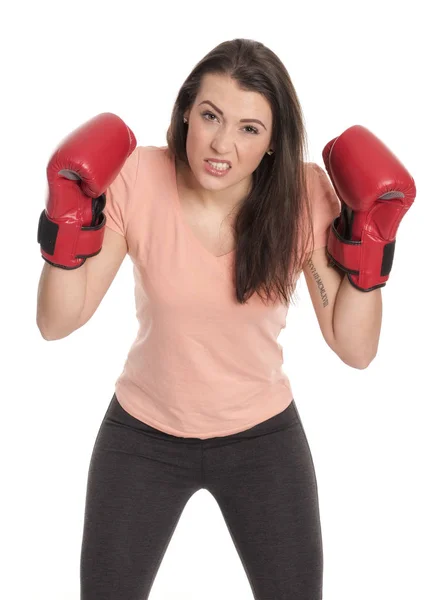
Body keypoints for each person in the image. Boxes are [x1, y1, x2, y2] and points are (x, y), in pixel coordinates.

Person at [36, 38, 415, 600]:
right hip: (142, 433)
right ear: (186, 108)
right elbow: (57, 322)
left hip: (262, 438)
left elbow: (355, 348)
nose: (221, 144)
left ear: (271, 143)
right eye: (211, 116)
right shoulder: (136, 177)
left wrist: (368, 243)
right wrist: (65, 225)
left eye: (249, 128)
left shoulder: (303, 195)